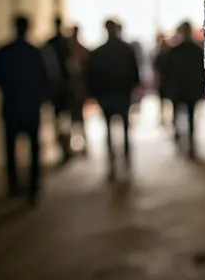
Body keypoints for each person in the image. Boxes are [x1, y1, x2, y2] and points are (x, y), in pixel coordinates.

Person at [0, 15, 55, 205]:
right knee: (34, 146)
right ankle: (33, 187)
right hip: (31, 107)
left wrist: (8, 85)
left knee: (10, 147)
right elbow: (48, 79)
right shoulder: (36, 53)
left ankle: (14, 184)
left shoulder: (4, 52)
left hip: (12, 105)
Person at [85, 19, 141, 180]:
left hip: (105, 95)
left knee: (108, 129)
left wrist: (93, 93)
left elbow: (90, 76)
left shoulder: (98, 52)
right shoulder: (126, 50)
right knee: (124, 128)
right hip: (122, 94)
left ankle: (112, 163)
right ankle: (126, 160)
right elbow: (134, 74)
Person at [160, 22, 205, 159]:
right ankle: (190, 144)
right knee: (190, 118)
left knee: (177, 116)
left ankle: (179, 138)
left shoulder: (174, 50)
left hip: (178, 90)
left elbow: (166, 72)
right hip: (190, 90)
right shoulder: (197, 50)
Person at [43, 16, 75, 163]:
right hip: (63, 87)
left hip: (57, 88)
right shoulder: (64, 43)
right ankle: (65, 146)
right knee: (64, 119)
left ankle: (64, 146)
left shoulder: (51, 44)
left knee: (61, 119)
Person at [66, 26, 90, 155]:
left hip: (76, 90)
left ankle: (80, 143)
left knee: (77, 117)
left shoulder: (79, 50)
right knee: (75, 118)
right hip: (74, 90)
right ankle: (78, 143)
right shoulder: (77, 50)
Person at [151, 32, 173, 130]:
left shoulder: (159, 53)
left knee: (162, 101)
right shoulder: (170, 53)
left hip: (163, 81)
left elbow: (156, 69)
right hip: (168, 81)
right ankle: (167, 119)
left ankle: (164, 118)